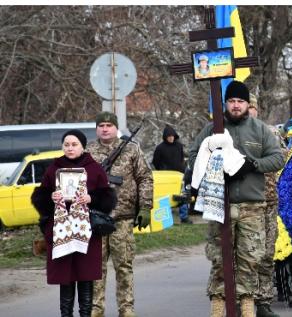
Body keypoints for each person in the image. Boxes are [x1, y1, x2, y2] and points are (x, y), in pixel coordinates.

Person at [188, 80, 284, 317]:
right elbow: (193, 154)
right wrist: (215, 165)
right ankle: (218, 306)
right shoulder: (213, 129)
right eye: (231, 101)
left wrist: (253, 164)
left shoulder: (260, 129)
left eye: (240, 101)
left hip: (252, 205)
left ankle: (248, 306)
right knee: (220, 257)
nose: (236, 105)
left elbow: (277, 158)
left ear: (247, 104)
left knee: (250, 258)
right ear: (225, 104)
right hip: (220, 204)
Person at [31, 130, 116, 317]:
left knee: (85, 276)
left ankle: (86, 314)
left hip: (87, 232)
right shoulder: (54, 168)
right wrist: (50, 197)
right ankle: (66, 314)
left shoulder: (94, 168)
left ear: (83, 146)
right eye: (67, 145)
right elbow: (39, 196)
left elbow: (108, 199)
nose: (70, 148)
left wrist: (90, 198)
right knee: (65, 277)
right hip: (61, 231)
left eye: (74, 144)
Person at [88, 112, 154, 317]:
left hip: (123, 219)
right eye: (101, 125)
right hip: (95, 219)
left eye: (109, 125)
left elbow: (145, 178)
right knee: (95, 269)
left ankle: (126, 309)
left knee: (124, 267)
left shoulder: (132, 150)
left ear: (116, 128)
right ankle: (96, 309)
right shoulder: (88, 151)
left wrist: (145, 207)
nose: (105, 129)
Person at [247, 93, 285, 317]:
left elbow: (283, 159)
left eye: (253, 106)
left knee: (267, 253)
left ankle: (263, 302)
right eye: (246, 106)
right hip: (246, 202)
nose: (250, 110)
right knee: (246, 254)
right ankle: (245, 300)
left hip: (270, 200)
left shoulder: (271, 133)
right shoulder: (233, 134)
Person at [152, 125, 192, 224]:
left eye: (172, 136)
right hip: (166, 177)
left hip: (179, 176)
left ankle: (184, 217)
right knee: (165, 198)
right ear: (165, 136)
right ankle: (166, 218)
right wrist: (162, 170)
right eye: (169, 136)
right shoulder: (160, 148)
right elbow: (155, 162)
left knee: (182, 196)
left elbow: (181, 159)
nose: (171, 138)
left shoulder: (179, 146)